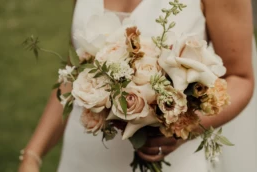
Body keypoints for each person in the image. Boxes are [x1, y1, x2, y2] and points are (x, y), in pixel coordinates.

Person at [18, 0, 256, 172]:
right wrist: (32, 155)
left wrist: (181, 129)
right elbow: (75, 74)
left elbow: (240, 77)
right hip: (83, 155)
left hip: (170, 159)